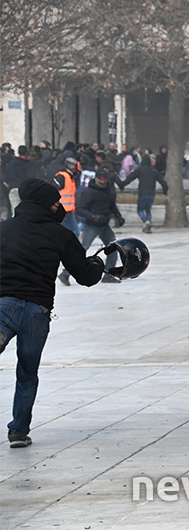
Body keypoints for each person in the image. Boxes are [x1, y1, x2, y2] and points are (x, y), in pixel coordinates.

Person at [0, 179, 106, 448]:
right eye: (56, 202)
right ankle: (19, 431)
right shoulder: (61, 235)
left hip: (5, 307)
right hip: (38, 312)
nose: (59, 207)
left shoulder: (5, 229)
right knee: (27, 372)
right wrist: (97, 262)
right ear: (47, 205)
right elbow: (86, 276)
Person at [73, 169, 123, 283]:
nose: (102, 180)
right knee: (82, 249)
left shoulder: (108, 190)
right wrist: (93, 217)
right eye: (100, 179)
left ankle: (108, 274)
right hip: (92, 226)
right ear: (96, 179)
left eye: (104, 178)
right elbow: (80, 209)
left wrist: (118, 217)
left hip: (105, 225)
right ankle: (65, 273)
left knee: (113, 248)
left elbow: (112, 205)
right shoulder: (89, 192)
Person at [120, 154, 168, 234]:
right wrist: (165, 192)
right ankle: (148, 222)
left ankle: (146, 222)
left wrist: (122, 184)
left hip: (143, 193)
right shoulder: (154, 171)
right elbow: (163, 183)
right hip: (152, 194)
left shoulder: (140, 170)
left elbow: (131, 177)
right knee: (148, 209)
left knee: (140, 210)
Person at [52, 156, 80, 238]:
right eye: (74, 166)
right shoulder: (61, 176)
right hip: (60, 211)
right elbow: (53, 191)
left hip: (69, 212)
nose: (76, 168)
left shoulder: (71, 178)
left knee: (75, 233)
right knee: (56, 234)